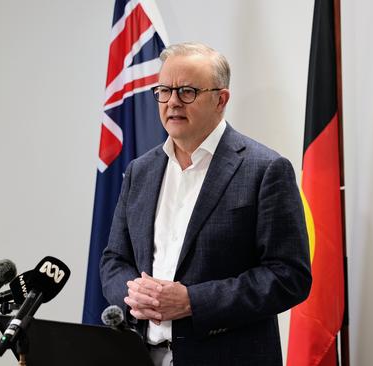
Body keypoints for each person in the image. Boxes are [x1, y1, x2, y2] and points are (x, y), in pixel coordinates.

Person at [100, 42, 311, 366]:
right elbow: (114, 260)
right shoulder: (140, 171)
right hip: (141, 356)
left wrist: (192, 301)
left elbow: (288, 277)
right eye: (164, 90)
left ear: (221, 99)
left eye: (187, 91)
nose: (172, 102)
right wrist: (132, 293)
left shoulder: (265, 169)